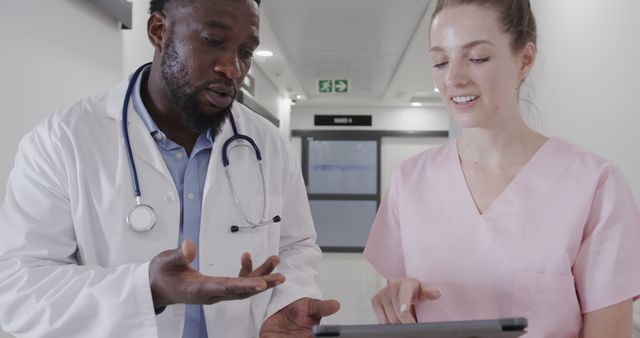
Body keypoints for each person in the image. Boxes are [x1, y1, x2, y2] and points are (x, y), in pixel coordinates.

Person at [0, 0, 340, 337]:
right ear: (159, 31)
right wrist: (147, 287)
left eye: (246, 51)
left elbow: (296, 245)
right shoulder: (62, 140)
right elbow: (17, 289)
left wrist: (288, 299)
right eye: (213, 41)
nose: (233, 68)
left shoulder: (269, 144)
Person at [363, 0, 640, 337]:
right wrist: (398, 299)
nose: (453, 78)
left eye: (477, 58)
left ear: (524, 59)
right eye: (440, 61)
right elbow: (403, 303)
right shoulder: (410, 180)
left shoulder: (595, 185)